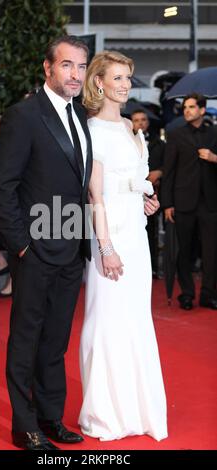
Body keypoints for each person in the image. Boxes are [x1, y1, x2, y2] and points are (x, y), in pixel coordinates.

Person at [0, 36, 93, 451]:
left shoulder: (82, 116)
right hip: (34, 248)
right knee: (26, 339)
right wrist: (20, 246)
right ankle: (24, 424)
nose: (75, 75)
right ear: (47, 68)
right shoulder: (24, 115)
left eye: (81, 67)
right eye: (67, 66)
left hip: (70, 244)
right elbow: (2, 186)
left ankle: (51, 417)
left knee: (55, 340)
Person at [78, 51, 167, 442]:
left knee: (135, 318)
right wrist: (106, 247)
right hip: (108, 233)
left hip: (135, 231)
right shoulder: (91, 130)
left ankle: (137, 410)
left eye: (128, 77)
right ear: (98, 82)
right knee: (106, 318)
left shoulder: (133, 129)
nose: (126, 84)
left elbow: (134, 181)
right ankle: (105, 412)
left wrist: (146, 200)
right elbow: (94, 196)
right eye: (117, 78)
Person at [161, 93, 217, 310]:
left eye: (192, 107)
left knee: (211, 253)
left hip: (211, 203)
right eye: (185, 107)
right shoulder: (175, 135)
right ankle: (186, 293)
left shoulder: (214, 133)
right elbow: (169, 171)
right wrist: (167, 204)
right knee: (184, 251)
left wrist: (213, 158)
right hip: (183, 202)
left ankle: (208, 294)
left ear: (202, 110)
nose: (187, 110)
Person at [131, 109, 165, 277]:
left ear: (148, 122)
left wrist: (160, 173)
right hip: (131, 192)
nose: (140, 123)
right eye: (136, 120)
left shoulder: (159, 143)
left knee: (152, 231)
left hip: (154, 194)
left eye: (143, 119)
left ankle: (152, 268)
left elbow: (169, 164)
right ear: (131, 123)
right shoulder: (127, 142)